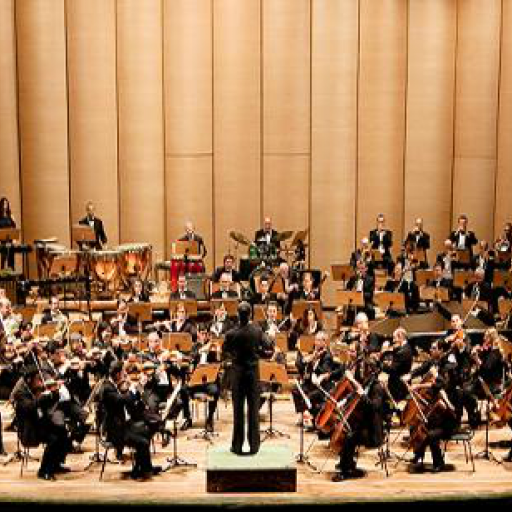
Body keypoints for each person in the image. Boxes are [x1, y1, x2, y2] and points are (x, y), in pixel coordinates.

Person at [222, 301, 272, 455]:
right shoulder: (257, 331)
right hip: (252, 375)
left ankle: (237, 446)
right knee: (253, 411)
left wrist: (235, 356)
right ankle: (254, 446)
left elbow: (225, 351)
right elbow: (269, 347)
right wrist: (258, 354)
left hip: (237, 374)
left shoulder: (231, 334)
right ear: (250, 314)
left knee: (238, 412)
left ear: (238, 315)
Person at [99, 361, 162, 479]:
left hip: (124, 425)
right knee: (143, 441)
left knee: (147, 431)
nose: (124, 374)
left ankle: (144, 467)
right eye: (123, 372)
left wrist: (137, 390)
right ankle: (142, 470)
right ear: (117, 374)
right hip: (115, 431)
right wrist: (132, 388)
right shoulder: (107, 388)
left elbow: (130, 401)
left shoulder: (114, 385)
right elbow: (121, 400)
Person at [0, 197, 17, 270]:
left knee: (11, 259)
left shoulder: (10, 216)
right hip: (2, 241)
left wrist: (14, 239)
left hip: (10, 240)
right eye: (3, 204)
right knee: (3, 259)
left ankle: (11, 271)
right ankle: (2, 273)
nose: (5, 205)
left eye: (6, 204)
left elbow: (14, 228)